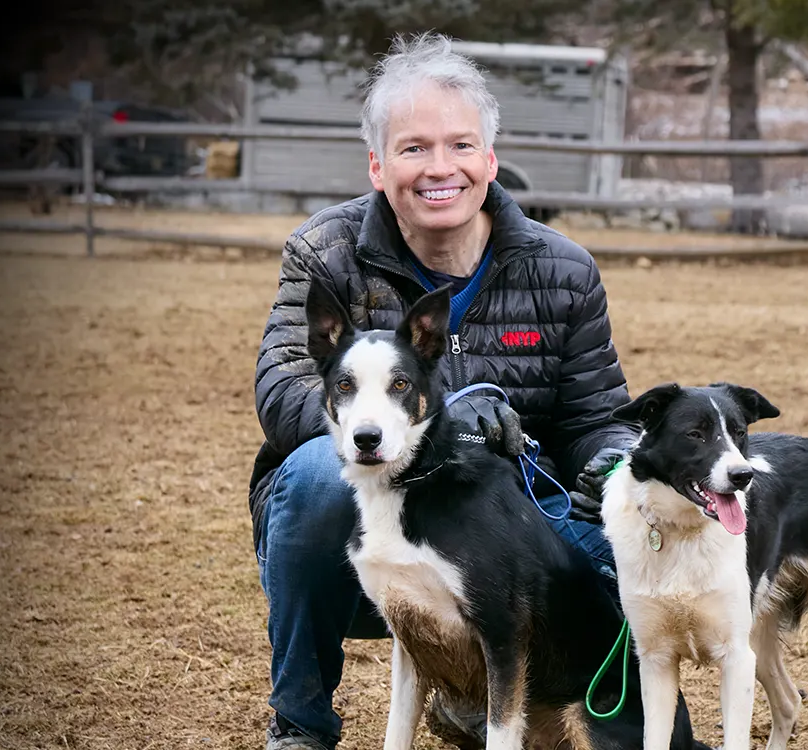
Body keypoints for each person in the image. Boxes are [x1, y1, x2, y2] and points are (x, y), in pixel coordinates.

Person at [245, 32, 641, 750]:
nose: (440, 169)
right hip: (369, 530)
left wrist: (613, 467)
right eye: (413, 148)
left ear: (490, 159)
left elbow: (599, 417)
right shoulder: (324, 252)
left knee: (637, 517)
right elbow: (282, 390)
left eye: (460, 146)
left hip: (512, 522)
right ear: (377, 165)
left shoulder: (564, 269)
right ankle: (300, 725)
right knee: (310, 474)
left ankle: (492, 697)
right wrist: (436, 422)